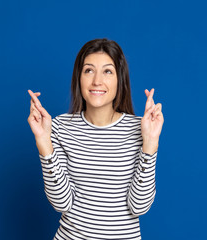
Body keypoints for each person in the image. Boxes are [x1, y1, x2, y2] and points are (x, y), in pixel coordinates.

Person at [27, 38, 164, 240]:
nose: (97, 81)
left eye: (107, 71)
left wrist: (150, 143)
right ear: (79, 78)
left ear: (120, 79)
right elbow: (61, 203)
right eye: (89, 70)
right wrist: (43, 141)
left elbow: (139, 206)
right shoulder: (60, 126)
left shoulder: (140, 128)